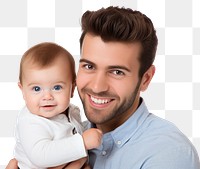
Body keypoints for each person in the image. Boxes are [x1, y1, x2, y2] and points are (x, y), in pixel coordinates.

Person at [7, 6, 200, 169]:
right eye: (89, 66)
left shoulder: (167, 154)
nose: (98, 87)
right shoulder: (70, 131)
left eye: (117, 72)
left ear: (146, 79)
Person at [13, 42, 102, 169]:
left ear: (72, 89)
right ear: (23, 91)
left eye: (57, 87)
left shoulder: (71, 111)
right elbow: (41, 155)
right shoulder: (30, 121)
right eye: (37, 88)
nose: (47, 96)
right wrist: (82, 143)